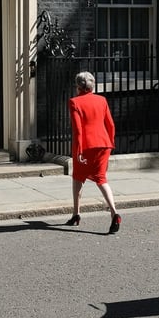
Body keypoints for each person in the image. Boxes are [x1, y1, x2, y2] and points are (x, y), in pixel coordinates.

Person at [66, 71, 121, 234]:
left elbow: (78, 130)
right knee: (101, 179)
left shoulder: (74, 102)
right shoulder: (102, 100)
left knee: (77, 177)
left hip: (85, 145)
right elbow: (110, 124)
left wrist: (79, 150)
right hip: (104, 144)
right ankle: (113, 212)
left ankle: (77, 214)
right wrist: (110, 142)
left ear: (78, 87)